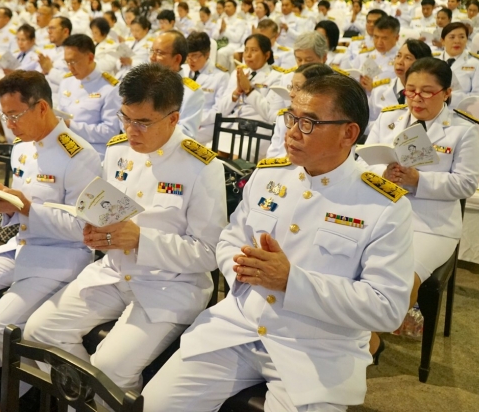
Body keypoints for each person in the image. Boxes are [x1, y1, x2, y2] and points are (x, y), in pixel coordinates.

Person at [142, 74, 414, 412]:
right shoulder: (270, 174)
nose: (293, 131)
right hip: (239, 328)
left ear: (349, 133)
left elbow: (386, 308)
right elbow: (230, 238)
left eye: (310, 122)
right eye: (291, 117)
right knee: (155, 404)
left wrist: (290, 281)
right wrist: (242, 267)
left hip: (316, 349)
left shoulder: (384, 205)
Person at [25, 63, 226, 396]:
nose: (132, 130)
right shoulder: (119, 151)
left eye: (143, 122)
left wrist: (142, 240)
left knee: (109, 369)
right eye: (125, 118)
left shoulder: (202, 166)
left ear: (173, 118)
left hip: (168, 285)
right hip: (113, 272)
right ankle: (88, 399)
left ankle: (103, 397)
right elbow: (107, 211)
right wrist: (96, 233)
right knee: (39, 332)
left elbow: (209, 253)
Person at [0, 70, 101, 402]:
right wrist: (3, 203)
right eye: (5, 116)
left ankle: (12, 392)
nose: (10, 124)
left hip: (61, 255)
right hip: (20, 244)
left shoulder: (79, 155)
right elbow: (20, 205)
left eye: (15, 115)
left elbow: (84, 228)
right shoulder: (21, 148)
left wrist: (28, 209)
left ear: (42, 107)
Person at [363, 58, 479, 358]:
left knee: (403, 278)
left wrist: (419, 181)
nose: (416, 98)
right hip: (383, 214)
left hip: (431, 225)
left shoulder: (462, 131)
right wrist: (382, 174)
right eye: (410, 90)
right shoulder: (388, 120)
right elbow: (362, 165)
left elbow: (466, 184)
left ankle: (367, 343)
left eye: (426, 92)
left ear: (446, 93)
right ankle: (359, 339)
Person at [56, 34, 123, 157]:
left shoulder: (109, 88)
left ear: (90, 58)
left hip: (92, 153)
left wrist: (71, 125)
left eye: (73, 62)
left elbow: (110, 132)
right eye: (67, 62)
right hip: (63, 150)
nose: (70, 67)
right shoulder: (66, 82)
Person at [265, 63, 334, 158]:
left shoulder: (330, 123)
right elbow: (272, 154)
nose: (291, 94)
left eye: (298, 88)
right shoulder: (283, 118)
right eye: (291, 87)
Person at [148, 30, 204, 139]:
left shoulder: (191, 93)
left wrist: (149, 128)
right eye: (152, 51)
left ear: (177, 59)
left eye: (159, 53)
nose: (152, 57)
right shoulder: (144, 82)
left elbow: (187, 134)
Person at [216, 33, 282, 125]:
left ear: (266, 55)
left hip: (256, 132)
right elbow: (221, 111)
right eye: (246, 50)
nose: (248, 55)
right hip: (230, 127)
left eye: (254, 50)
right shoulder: (238, 73)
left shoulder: (276, 77)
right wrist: (237, 92)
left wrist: (249, 90)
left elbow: (270, 114)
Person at [369, 39, 433, 125]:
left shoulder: (429, 95)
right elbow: (369, 124)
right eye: (398, 56)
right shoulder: (379, 91)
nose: (399, 62)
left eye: (407, 58)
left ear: (421, 63)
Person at [181, 32, 229, 144]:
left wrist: (195, 120)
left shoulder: (221, 76)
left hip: (205, 125)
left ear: (207, 54)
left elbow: (218, 110)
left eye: (195, 56)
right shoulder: (183, 70)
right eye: (188, 56)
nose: (190, 60)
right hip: (180, 120)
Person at [438, 22, 479, 105]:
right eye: (452, 37)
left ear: (467, 40)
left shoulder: (476, 63)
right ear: (442, 41)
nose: (457, 41)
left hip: (463, 111)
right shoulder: (433, 61)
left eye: (462, 37)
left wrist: (450, 97)